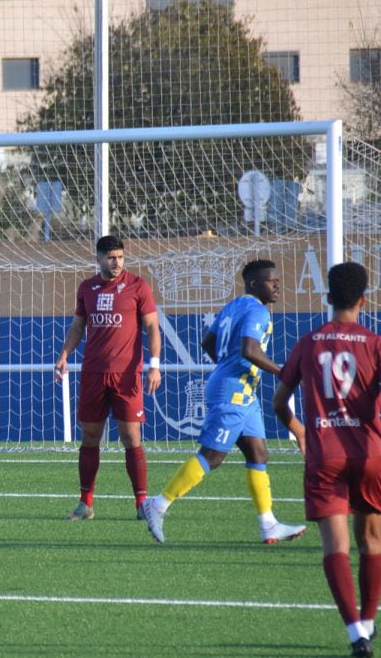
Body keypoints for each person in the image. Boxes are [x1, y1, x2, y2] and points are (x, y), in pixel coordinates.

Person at [142, 259, 306, 544]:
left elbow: (208, 342)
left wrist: (226, 366)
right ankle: (157, 505)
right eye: (271, 280)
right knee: (213, 456)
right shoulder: (258, 311)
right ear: (254, 284)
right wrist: (284, 372)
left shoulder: (234, 306)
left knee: (258, 453)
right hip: (233, 391)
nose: (277, 284)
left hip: (243, 390)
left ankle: (268, 524)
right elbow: (250, 349)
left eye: (278, 279)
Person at [273, 262, 381, 658]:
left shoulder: (309, 342)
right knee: (372, 541)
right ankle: (368, 622)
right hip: (370, 453)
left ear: (329, 297)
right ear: (364, 300)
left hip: (325, 454)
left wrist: (299, 429)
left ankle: (356, 633)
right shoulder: (374, 343)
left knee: (335, 546)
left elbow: (279, 402)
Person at [54, 235, 161, 520]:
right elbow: (78, 326)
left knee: (131, 436)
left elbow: (152, 327)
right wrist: (64, 355)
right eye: (111, 257)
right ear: (99, 258)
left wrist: (155, 364)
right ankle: (85, 503)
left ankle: (142, 504)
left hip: (126, 376)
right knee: (90, 437)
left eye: (121, 257)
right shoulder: (86, 288)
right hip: (93, 373)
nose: (117, 262)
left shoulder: (138, 286)